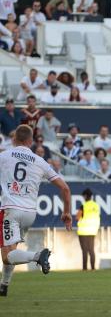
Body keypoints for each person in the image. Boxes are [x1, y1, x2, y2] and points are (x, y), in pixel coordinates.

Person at [0, 125, 72, 297]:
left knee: (6, 256)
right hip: (30, 213)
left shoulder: (3, 156)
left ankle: (38, 255)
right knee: (13, 251)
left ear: (14, 139)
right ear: (31, 141)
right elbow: (65, 189)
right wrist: (66, 213)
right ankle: (4, 285)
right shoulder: (40, 161)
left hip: (11, 209)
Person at [75, 188, 100, 271]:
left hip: (83, 231)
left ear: (85, 196)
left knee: (84, 250)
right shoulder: (96, 205)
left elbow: (77, 217)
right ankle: (93, 268)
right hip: (93, 230)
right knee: (91, 250)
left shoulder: (83, 206)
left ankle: (85, 268)